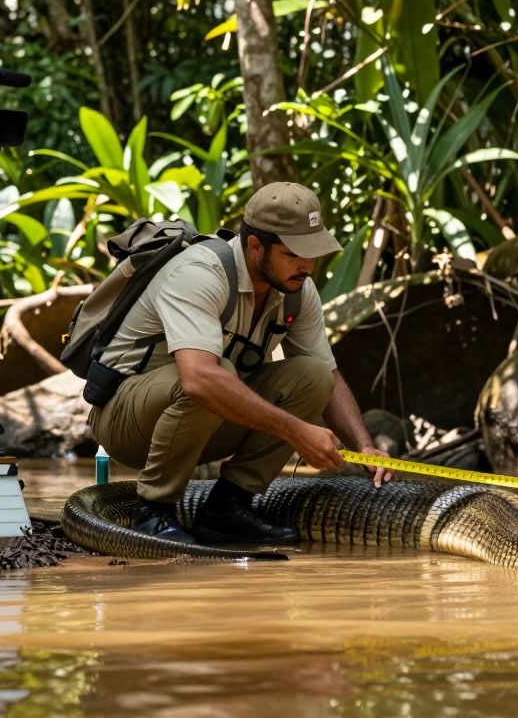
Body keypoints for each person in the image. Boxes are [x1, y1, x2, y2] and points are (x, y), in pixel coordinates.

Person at [89, 182, 390, 545]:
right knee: (214, 375)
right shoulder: (200, 273)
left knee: (312, 376)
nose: (308, 265)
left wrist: (363, 446)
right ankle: (153, 511)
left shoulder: (296, 289)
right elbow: (199, 380)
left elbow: (326, 372)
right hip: (127, 423)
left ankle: (228, 508)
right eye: (295, 253)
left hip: (205, 423)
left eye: (314, 252)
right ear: (255, 246)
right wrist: (296, 431)